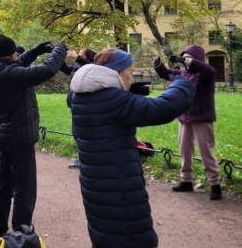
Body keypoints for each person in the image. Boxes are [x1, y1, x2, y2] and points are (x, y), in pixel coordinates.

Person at [70, 48, 195, 248]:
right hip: (119, 189)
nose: (131, 77)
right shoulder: (115, 101)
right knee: (129, 237)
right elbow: (161, 109)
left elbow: (107, 106)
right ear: (116, 73)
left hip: (97, 186)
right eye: (130, 72)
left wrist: (130, 90)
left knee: (105, 234)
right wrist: (182, 82)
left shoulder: (81, 96)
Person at [0, 35, 67, 245]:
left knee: (4, 185)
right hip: (21, 137)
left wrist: (36, 50)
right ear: (11, 53)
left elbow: (18, 64)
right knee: (24, 189)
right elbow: (46, 70)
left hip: (5, 135)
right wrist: (59, 50)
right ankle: (21, 234)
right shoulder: (12, 73)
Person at [154, 45, 222, 200]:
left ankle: (215, 184)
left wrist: (190, 61)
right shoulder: (183, 73)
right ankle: (186, 181)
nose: (185, 61)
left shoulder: (206, 74)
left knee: (206, 151)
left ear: (196, 59)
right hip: (185, 116)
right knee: (184, 150)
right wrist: (158, 65)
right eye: (183, 57)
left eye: (188, 58)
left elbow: (210, 70)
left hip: (202, 117)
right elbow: (167, 73)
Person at [60, 48, 95, 168]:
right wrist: (58, 56)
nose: (77, 56)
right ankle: (83, 158)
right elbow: (64, 68)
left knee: (85, 133)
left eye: (81, 55)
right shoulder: (76, 68)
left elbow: (90, 66)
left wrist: (76, 57)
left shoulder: (91, 67)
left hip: (86, 106)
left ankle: (88, 159)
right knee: (76, 132)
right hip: (75, 105)